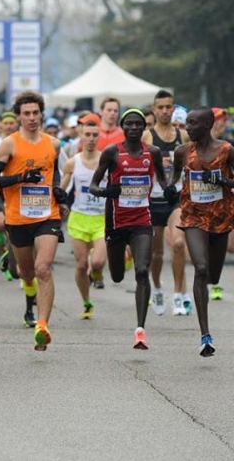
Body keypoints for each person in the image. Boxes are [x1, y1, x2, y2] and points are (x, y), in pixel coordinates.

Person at [90, 108, 170, 350]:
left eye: (138, 124)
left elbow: (163, 179)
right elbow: (93, 186)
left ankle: (140, 330)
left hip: (141, 221)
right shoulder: (112, 152)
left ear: (144, 128)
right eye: (129, 124)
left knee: (142, 271)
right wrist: (106, 191)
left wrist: (169, 189)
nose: (134, 128)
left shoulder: (152, 152)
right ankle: (119, 260)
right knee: (116, 275)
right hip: (116, 222)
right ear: (123, 128)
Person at [0, 91, 67, 350]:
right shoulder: (8, 145)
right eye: (26, 113)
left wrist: (60, 193)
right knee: (25, 272)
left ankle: (42, 324)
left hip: (47, 215)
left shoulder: (54, 144)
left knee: (43, 268)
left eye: (36, 113)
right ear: (18, 116)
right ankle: (26, 286)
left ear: (41, 114)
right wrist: (21, 178)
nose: (32, 118)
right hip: (17, 218)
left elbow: (55, 174)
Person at [170, 107, 234, 356]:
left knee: (214, 276)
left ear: (207, 125)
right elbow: (173, 178)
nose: (188, 127)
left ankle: (209, 285)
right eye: (187, 123)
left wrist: (223, 182)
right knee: (201, 268)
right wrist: (168, 189)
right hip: (193, 217)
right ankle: (205, 335)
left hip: (221, 218)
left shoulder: (227, 150)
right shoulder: (183, 151)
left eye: (193, 123)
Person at [142, 90, 189, 316]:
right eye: (160, 107)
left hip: (176, 199)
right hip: (153, 199)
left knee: (178, 244)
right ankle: (158, 288)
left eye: (168, 107)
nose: (164, 111)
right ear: (154, 109)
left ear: (173, 108)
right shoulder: (147, 137)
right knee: (156, 252)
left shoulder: (183, 136)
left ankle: (179, 293)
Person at [60, 114, 107, 319]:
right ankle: (87, 302)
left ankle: (96, 274)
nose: (90, 139)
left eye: (94, 135)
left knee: (96, 262)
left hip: (101, 219)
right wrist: (61, 204)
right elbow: (62, 190)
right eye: (87, 135)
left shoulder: (107, 161)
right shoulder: (72, 163)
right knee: (81, 265)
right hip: (79, 218)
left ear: (99, 137)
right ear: (81, 136)